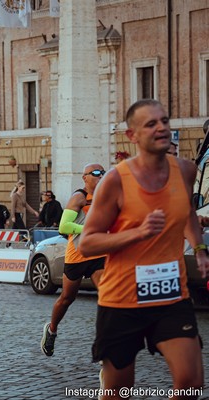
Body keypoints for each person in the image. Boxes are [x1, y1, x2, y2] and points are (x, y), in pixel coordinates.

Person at [79, 99, 207, 399]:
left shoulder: (186, 170)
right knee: (118, 392)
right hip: (122, 299)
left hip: (171, 294)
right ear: (132, 136)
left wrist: (199, 247)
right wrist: (138, 232)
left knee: (191, 384)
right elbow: (87, 242)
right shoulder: (115, 181)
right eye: (151, 124)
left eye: (164, 120)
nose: (161, 127)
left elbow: (186, 211)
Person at [41, 163, 106, 357]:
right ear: (85, 177)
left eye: (103, 172)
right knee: (67, 298)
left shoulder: (105, 196)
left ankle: (106, 342)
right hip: (77, 255)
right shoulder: (79, 197)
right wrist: (89, 229)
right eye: (96, 173)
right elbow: (64, 226)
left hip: (98, 254)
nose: (101, 175)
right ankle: (52, 329)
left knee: (107, 296)